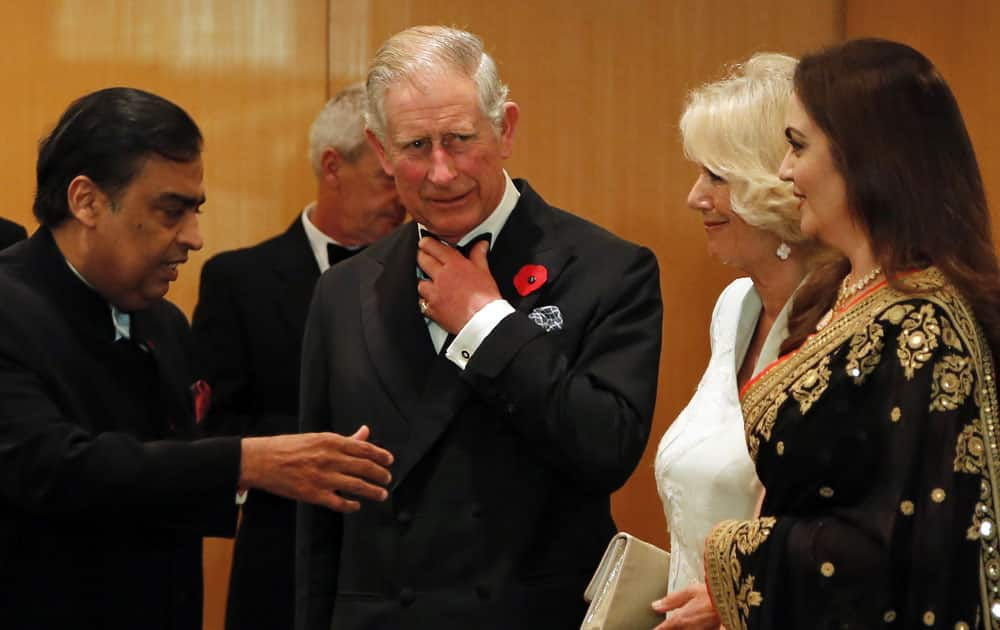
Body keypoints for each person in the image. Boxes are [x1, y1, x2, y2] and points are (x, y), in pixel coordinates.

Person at [296, 25, 663, 630]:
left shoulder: (608, 269)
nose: (441, 172)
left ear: (506, 128)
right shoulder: (342, 290)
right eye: (415, 146)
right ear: (381, 151)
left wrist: (488, 322)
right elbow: (320, 514)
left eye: (460, 139)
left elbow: (606, 450)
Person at [0, 87, 394, 630]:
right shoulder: (9, 305)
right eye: (171, 212)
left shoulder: (163, 321)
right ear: (87, 201)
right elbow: (51, 468)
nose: (195, 238)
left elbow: (169, 472)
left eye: (195, 210)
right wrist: (248, 461)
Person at [704, 38, 1000, 629]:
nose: (785, 169)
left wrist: (738, 557)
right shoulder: (841, 290)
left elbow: (912, 544)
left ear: (868, 156)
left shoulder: (925, 325)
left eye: (798, 146)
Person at [192, 83, 404, 630]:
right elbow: (218, 425)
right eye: (387, 177)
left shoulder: (444, 273)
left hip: (411, 567)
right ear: (333, 166)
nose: (404, 194)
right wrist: (330, 447)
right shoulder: (238, 280)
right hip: (282, 558)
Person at [651, 53, 813, 629]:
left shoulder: (845, 325)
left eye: (717, 175)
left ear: (778, 179)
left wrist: (738, 592)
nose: (695, 197)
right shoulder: (735, 307)